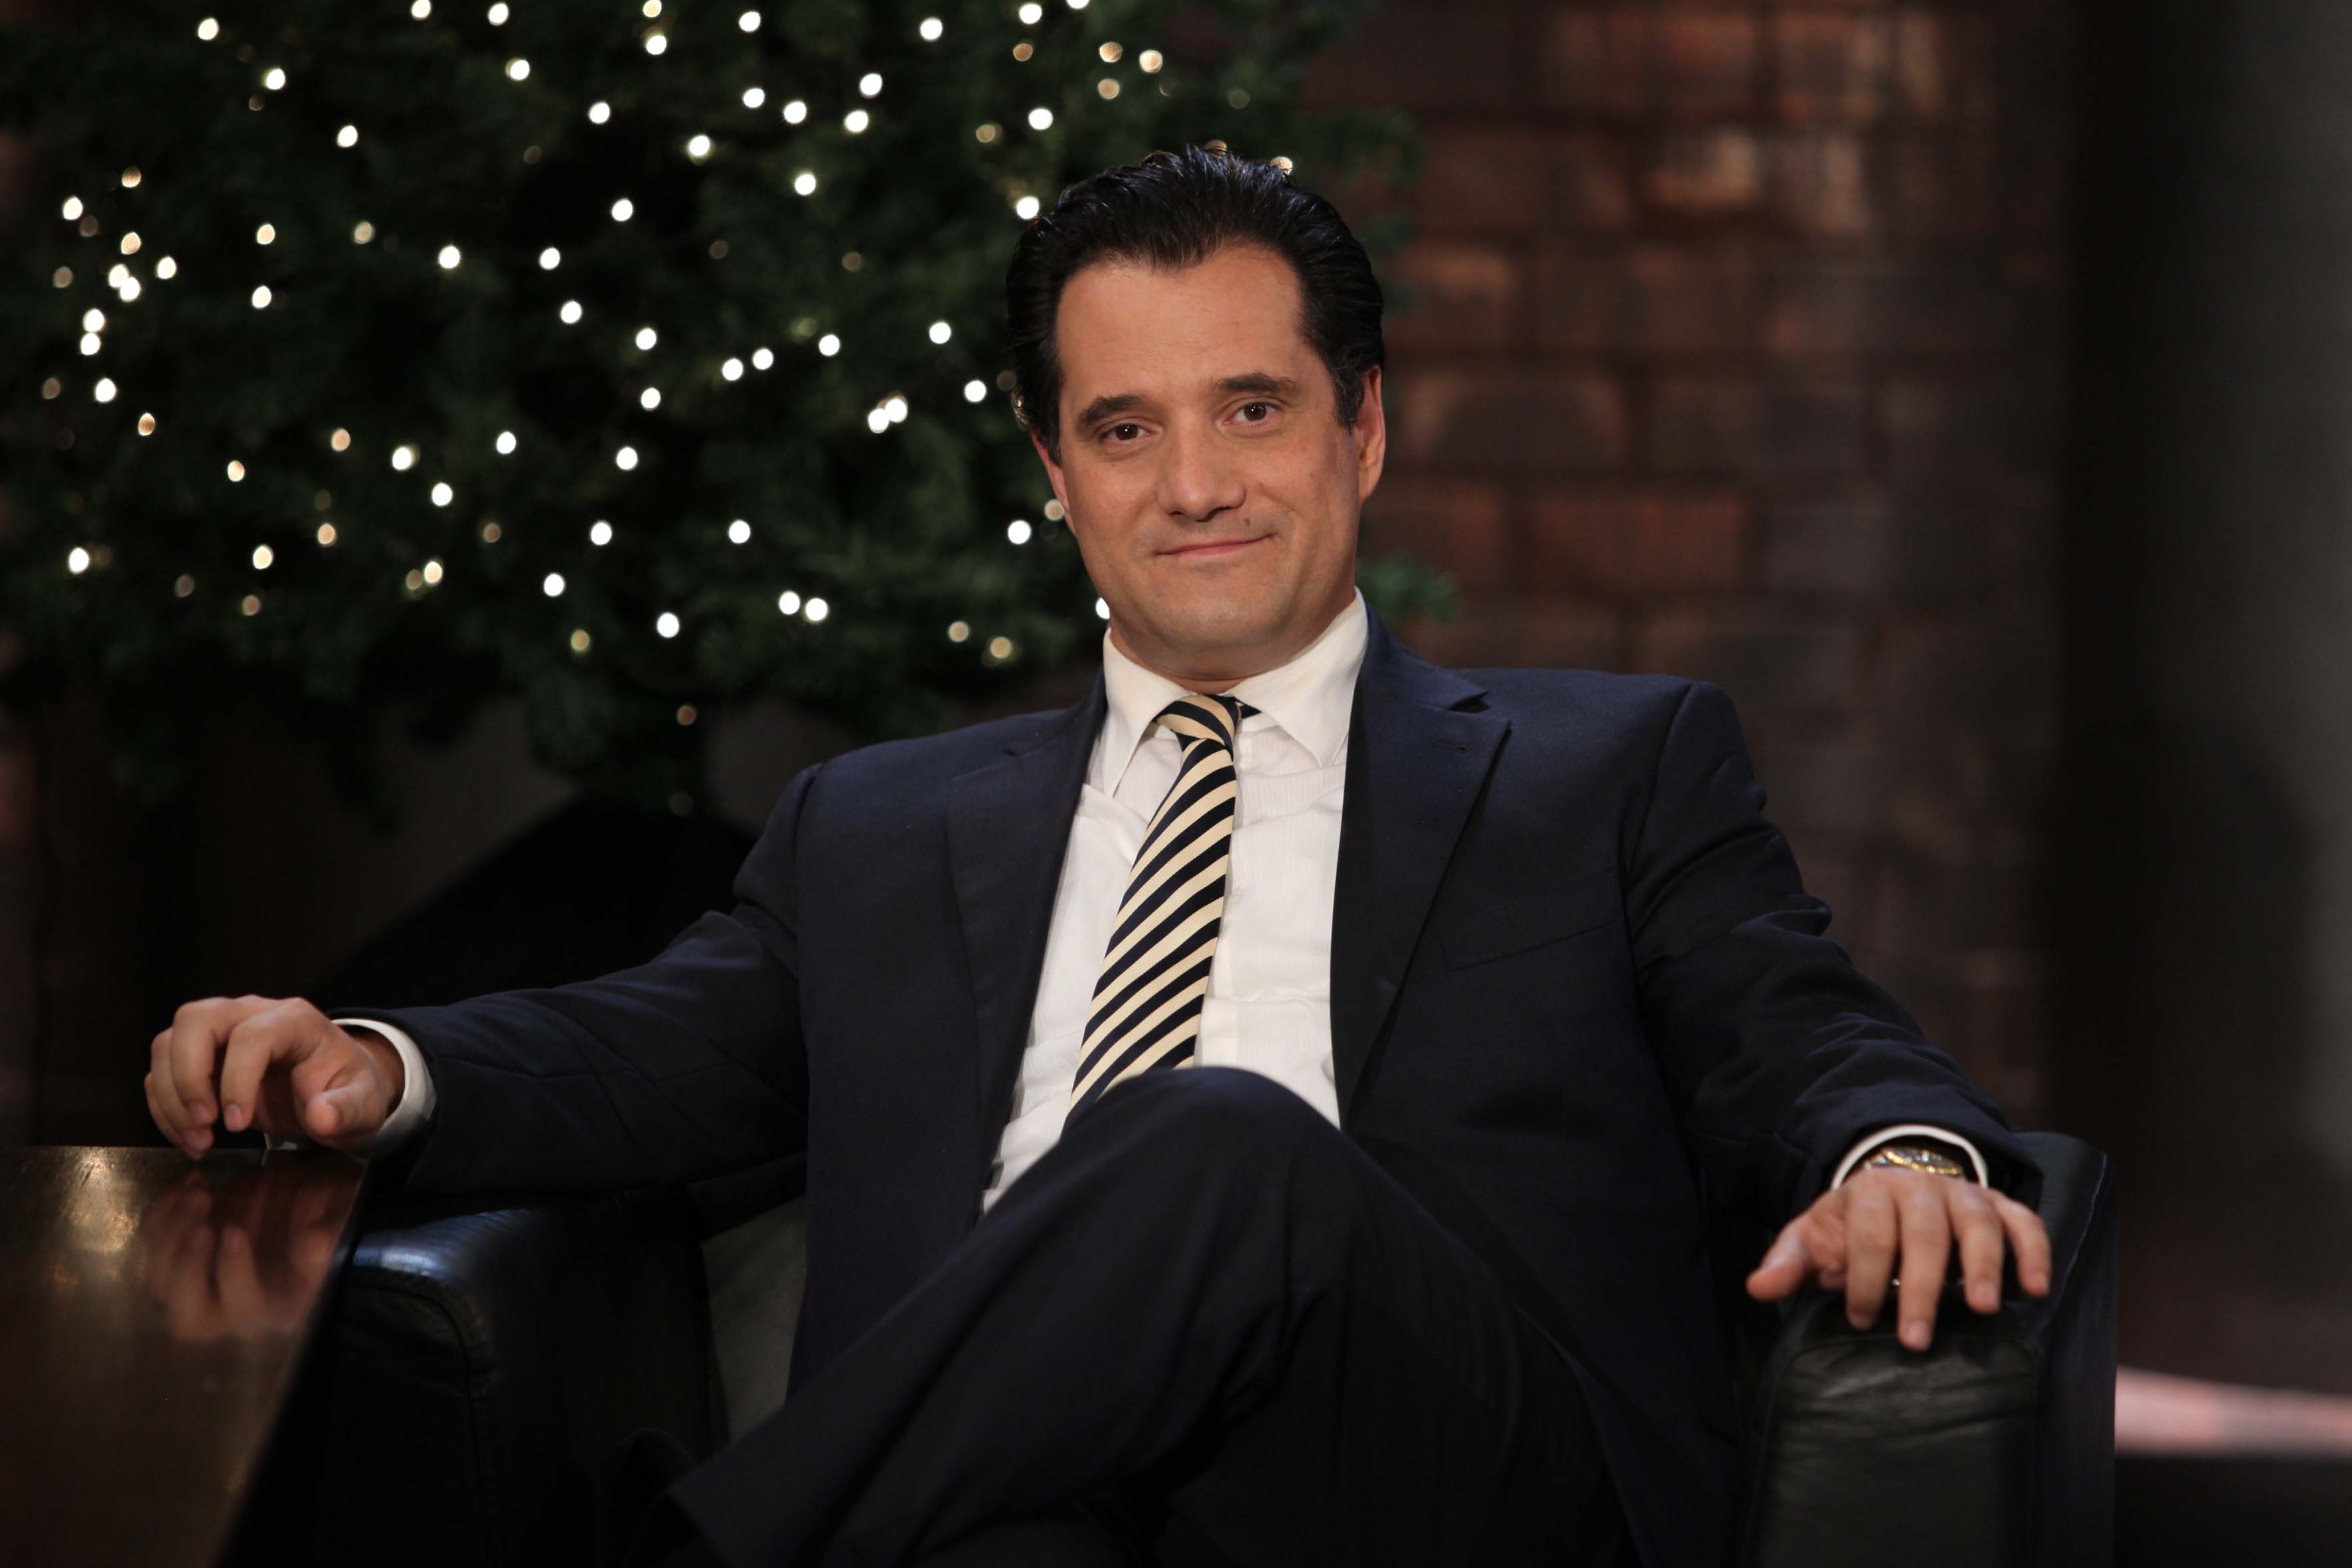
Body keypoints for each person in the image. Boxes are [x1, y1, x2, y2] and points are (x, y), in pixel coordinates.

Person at [143, 145, 2052, 1568]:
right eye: (1124, 428)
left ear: (1364, 429)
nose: (1194, 485)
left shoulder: (1610, 769)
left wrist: (1901, 1153)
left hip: (1446, 1486)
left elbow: (1796, 1023)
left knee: (1215, 1136)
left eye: (1252, 409)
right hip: (1003, 1495)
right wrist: (373, 1062)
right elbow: (650, 1044)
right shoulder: (878, 827)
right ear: (1055, 474)